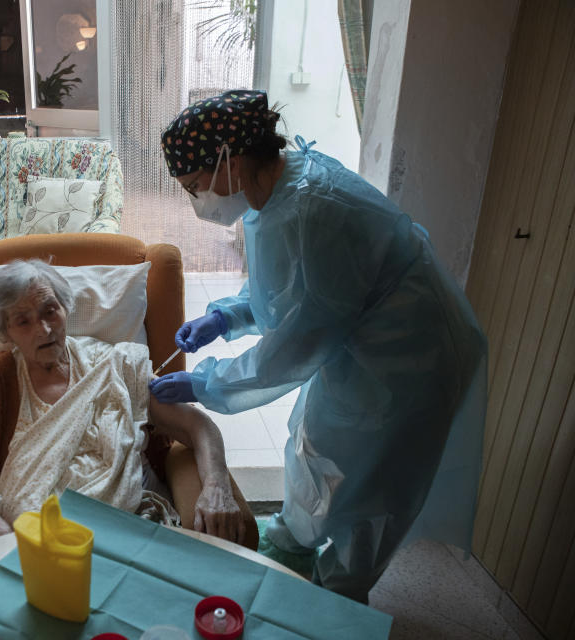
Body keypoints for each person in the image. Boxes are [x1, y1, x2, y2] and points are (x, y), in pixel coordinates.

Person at [149, 89, 487, 603]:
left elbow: (294, 349)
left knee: (365, 494)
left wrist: (206, 382)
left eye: (195, 187)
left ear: (230, 162)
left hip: (408, 363)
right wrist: (225, 315)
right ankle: (292, 547)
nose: (196, 202)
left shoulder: (316, 210)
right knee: (315, 445)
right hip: (356, 345)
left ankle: (335, 603)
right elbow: (286, 291)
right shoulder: (274, 195)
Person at [0, 259, 252, 562]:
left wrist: (216, 485)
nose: (45, 328)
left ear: (65, 307)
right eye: (23, 321)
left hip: (130, 535)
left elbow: (196, 426)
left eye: (49, 310)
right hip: (30, 551)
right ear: (5, 332)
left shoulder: (114, 365)